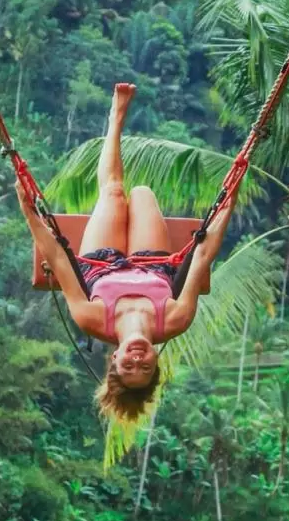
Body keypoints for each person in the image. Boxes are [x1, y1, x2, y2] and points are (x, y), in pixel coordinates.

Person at [17, 83, 237, 421]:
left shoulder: (91, 319)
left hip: (101, 262)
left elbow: (59, 259)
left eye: (128, 365)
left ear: (114, 359)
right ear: (156, 364)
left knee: (116, 193)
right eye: (144, 368)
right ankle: (119, 129)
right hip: (153, 263)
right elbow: (203, 257)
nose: (138, 358)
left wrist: (29, 212)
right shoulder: (175, 319)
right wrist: (228, 203)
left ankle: (115, 118)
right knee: (143, 192)